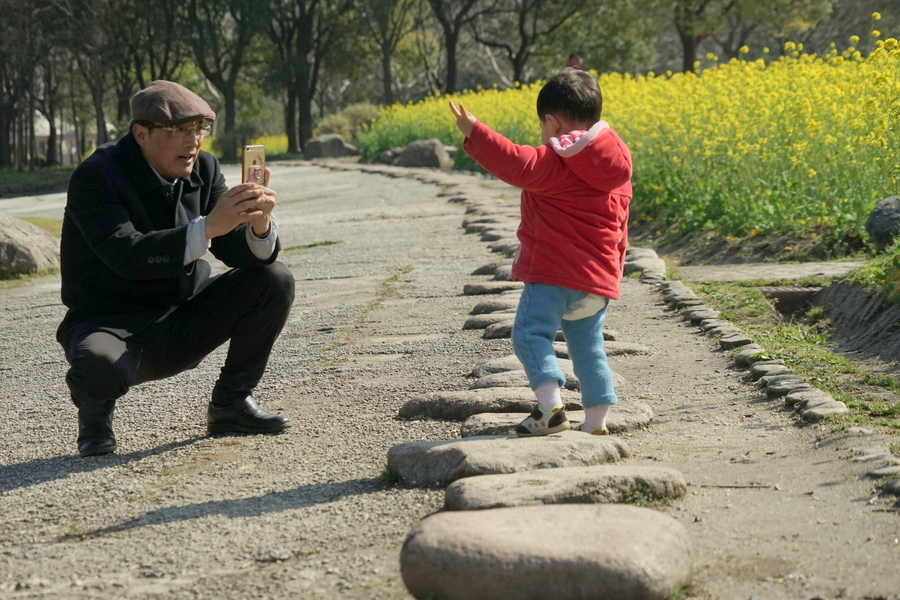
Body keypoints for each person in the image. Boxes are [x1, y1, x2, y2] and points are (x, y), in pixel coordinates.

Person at [58, 80, 295, 457]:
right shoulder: (97, 175)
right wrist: (208, 227)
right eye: (179, 131)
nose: (193, 141)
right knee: (99, 366)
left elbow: (238, 253)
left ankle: (230, 405)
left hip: (181, 316)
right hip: (111, 321)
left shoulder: (204, 167)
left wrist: (258, 225)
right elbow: (126, 254)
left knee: (273, 279)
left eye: (199, 129)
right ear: (141, 134)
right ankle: (95, 417)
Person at [449, 68, 632, 437]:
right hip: (598, 283)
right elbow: (621, 229)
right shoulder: (618, 169)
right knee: (589, 349)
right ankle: (596, 423)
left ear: (551, 121)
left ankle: (551, 408)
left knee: (529, 334)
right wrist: (612, 275)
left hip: (554, 274)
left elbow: (516, 161)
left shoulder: (557, 162)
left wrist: (476, 131)